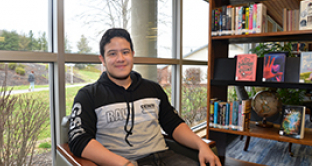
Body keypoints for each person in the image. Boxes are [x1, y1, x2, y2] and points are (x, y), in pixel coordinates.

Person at [68, 28, 221, 166]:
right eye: (112, 54)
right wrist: (123, 164)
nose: (120, 58)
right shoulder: (88, 95)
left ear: (132, 55)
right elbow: (78, 140)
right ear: (102, 59)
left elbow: (174, 124)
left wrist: (202, 145)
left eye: (125, 52)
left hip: (166, 157)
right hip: (122, 161)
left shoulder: (153, 89)